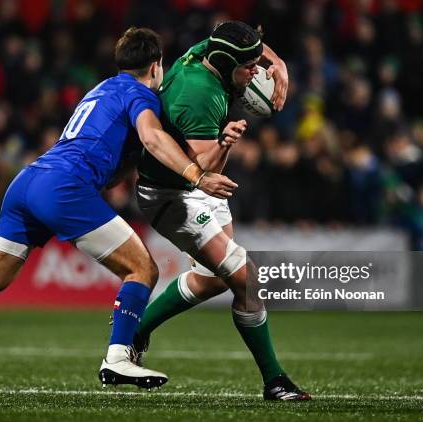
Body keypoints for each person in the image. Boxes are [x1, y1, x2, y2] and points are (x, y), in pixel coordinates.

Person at [0, 27, 239, 398]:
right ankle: (119, 358)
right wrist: (195, 175)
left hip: (27, 183)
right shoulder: (141, 95)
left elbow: (113, 163)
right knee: (143, 269)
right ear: (157, 67)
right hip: (63, 187)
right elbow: (153, 139)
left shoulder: (100, 89)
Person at [133, 21, 311, 401]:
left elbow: (250, 48)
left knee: (215, 278)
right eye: (250, 68)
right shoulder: (199, 95)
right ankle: (274, 381)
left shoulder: (209, 51)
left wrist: (278, 62)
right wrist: (227, 142)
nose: (256, 73)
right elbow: (205, 173)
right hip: (172, 193)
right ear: (228, 64)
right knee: (245, 277)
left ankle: (135, 329)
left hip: (191, 180)